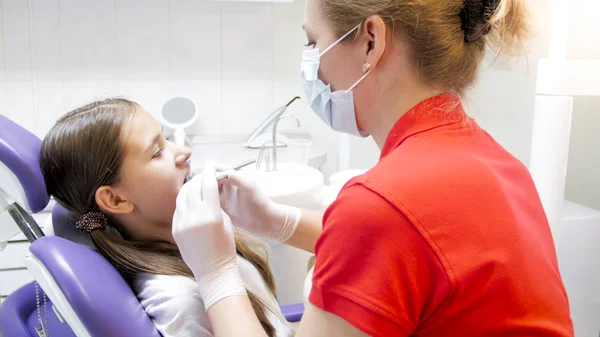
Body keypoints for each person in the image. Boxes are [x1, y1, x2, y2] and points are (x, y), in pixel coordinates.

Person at [172, 0, 575, 336]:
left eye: (314, 41)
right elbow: (417, 249)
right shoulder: (497, 164)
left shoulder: (383, 203)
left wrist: (216, 274)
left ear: (371, 41)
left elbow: (388, 226)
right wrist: (279, 221)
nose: (311, 66)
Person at [39, 98, 295, 337]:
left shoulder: (203, 248)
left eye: (167, 138)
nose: (184, 151)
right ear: (116, 200)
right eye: (158, 151)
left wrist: (274, 222)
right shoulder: (180, 300)